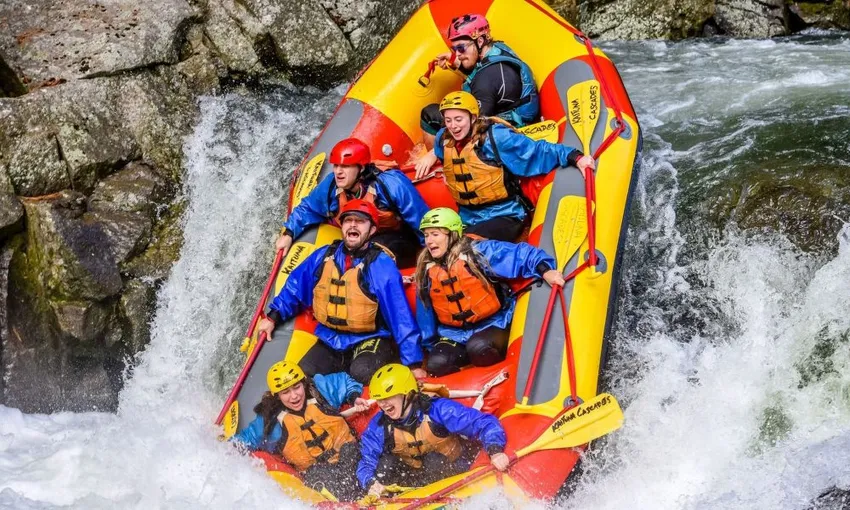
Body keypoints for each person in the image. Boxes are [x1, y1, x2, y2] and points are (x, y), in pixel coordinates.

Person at [258, 199, 426, 384]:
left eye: (360, 221)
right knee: (304, 376)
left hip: (371, 338)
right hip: (331, 339)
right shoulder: (323, 256)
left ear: (371, 230)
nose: (353, 224)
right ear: (342, 226)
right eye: (348, 220)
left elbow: (400, 316)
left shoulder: (381, 265)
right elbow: (295, 288)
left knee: (361, 372)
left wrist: (414, 364)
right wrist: (273, 317)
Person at [414, 91, 596, 242]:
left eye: (459, 119)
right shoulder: (443, 139)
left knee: (464, 250)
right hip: (467, 217)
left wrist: (574, 156)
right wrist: (431, 156)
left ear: (473, 117)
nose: (453, 126)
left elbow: (536, 151)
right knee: (442, 248)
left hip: (505, 214)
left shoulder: (496, 138)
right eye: (448, 120)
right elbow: (444, 156)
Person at [414, 208, 565, 376]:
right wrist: (430, 346)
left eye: (435, 234)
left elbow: (521, 255)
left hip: (494, 323)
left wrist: (545, 270)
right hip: (454, 333)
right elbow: (425, 313)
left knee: (480, 349)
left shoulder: (478, 252)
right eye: (426, 235)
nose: (429, 241)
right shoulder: (426, 269)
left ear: (452, 234)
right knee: (437, 363)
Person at [357, 364, 510, 496]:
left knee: (433, 461)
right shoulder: (379, 425)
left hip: (452, 471)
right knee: (385, 466)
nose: (383, 404)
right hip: (413, 480)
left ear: (408, 393)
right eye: (380, 399)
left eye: (388, 397)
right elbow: (366, 461)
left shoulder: (438, 409)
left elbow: (485, 423)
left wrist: (495, 450)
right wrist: (370, 483)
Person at [276, 137, 429, 267]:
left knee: (369, 253)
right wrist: (289, 233)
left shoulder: (391, 184)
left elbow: (422, 221)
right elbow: (308, 208)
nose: (338, 171)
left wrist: (430, 256)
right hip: (362, 239)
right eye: (336, 165)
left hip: (400, 240)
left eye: (345, 166)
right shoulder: (332, 185)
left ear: (361, 168)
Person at [232, 360, 370, 500]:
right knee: (317, 475)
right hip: (317, 472)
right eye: (285, 392)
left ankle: (371, 492)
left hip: (349, 455)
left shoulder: (320, 390)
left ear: (303, 383)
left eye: (296, 387)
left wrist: (354, 398)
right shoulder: (270, 420)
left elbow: (345, 381)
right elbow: (244, 439)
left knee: (351, 452)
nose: (294, 396)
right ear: (277, 395)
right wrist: (223, 447)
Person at [420, 13, 540, 147]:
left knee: (429, 114)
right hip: (518, 114)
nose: (458, 54)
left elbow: (473, 129)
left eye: (461, 48)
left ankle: (438, 161)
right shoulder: (498, 50)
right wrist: (455, 62)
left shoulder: (485, 81)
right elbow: (481, 70)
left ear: (480, 41)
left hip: (507, 132)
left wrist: (435, 153)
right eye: (454, 49)